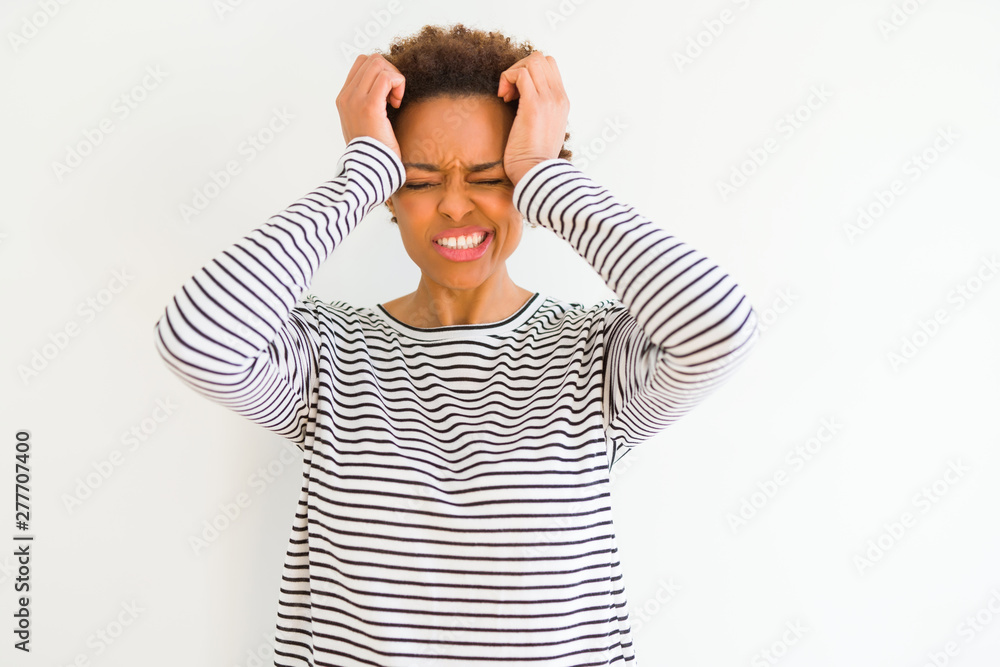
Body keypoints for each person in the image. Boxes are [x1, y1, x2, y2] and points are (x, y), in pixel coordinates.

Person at [153, 23, 759, 667]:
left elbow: (719, 330)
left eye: (491, 176)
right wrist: (361, 170)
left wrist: (547, 177)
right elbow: (196, 340)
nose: (453, 206)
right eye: (417, 181)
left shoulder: (597, 356)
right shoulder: (326, 353)